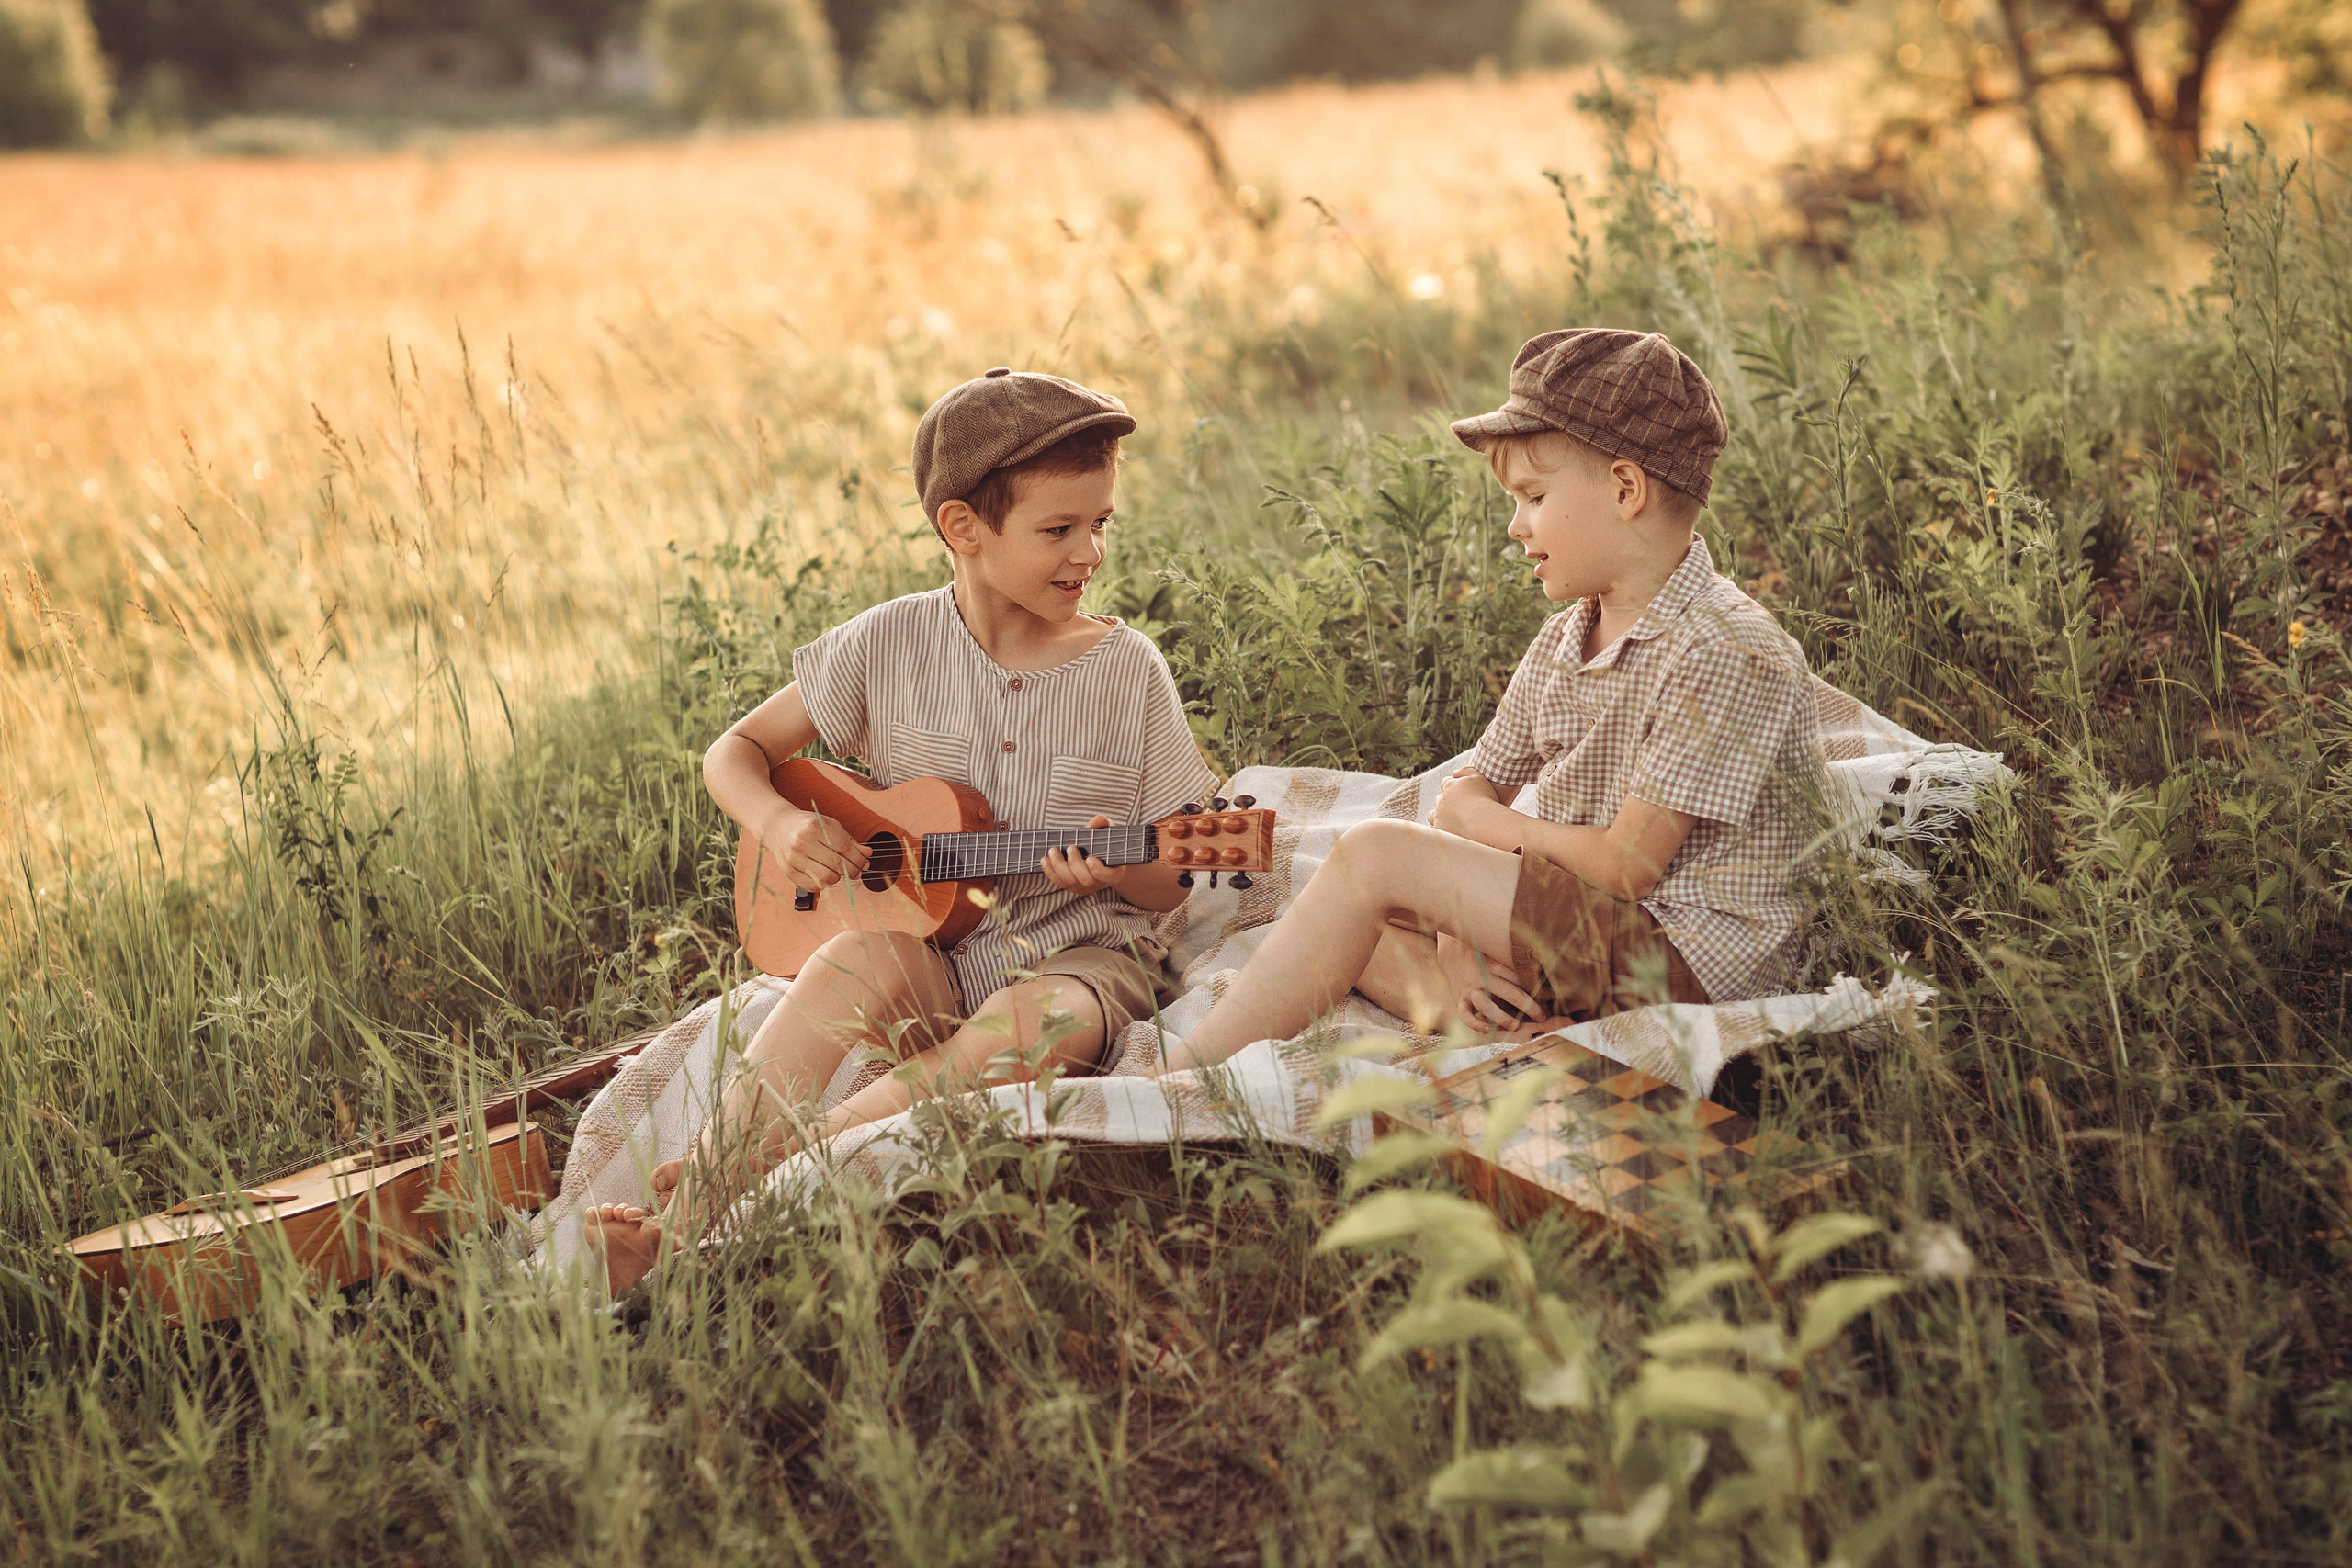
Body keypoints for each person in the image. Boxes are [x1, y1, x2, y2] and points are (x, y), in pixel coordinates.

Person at [586, 367, 1218, 1292]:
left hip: (1079, 959)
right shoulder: (885, 644)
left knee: (1029, 1029)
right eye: (1058, 529)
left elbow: (1174, 874)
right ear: (963, 528)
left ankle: (760, 1181)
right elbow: (735, 753)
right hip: (924, 951)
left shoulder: (1127, 671)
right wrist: (781, 825)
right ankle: (683, 1209)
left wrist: (1119, 874)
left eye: (1101, 523)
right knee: (850, 961)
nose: (1089, 551)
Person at [1158, 328, 1829, 1073]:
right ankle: (1481, 1015)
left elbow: (1626, 864)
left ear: (1626, 489)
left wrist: (1478, 829)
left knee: (1374, 860)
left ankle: (1183, 1076)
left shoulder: (1727, 648)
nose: (1516, 525)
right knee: (1341, 900)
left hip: (1686, 959)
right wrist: (1455, 936)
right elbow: (1470, 785)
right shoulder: (1566, 639)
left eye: (1534, 498)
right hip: (1592, 928)